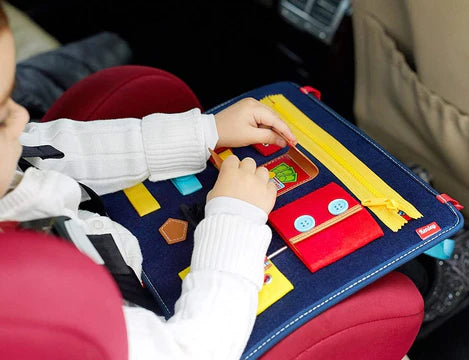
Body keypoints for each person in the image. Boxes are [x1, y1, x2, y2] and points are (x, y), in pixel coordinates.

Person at [0, 2, 297, 359]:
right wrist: (235, 219)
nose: (21, 117)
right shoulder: (30, 310)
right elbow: (194, 350)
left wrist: (204, 131)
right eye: (2, 117)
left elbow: (43, 149)